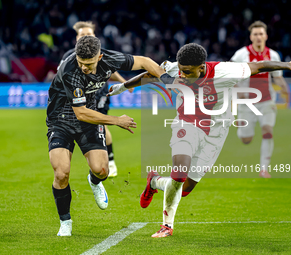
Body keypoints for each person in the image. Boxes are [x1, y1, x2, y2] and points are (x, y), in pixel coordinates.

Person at [108, 43, 291, 238]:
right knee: (179, 174)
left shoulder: (224, 72)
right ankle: (166, 226)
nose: (182, 75)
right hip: (186, 123)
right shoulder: (174, 69)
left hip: (217, 130)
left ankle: (154, 181)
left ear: (202, 67)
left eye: (187, 72)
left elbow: (259, 67)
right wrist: (121, 87)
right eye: (181, 70)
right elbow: (149, 75)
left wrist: (287, 65)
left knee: (185, 189)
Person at [47, 35, 167, 236]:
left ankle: (94, 181)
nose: (84, 67)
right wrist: (117, 120)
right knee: (62, 173)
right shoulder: (70, 70)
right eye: (81, 62)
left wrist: (167, 80)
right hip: (61, 120)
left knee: (102, 170)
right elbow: (80, 112)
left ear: (100, 57)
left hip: (88, 121)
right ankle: (65, 222)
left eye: (89, 64)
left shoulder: (111, 59)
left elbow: (145, 62)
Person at [59, 21, 133, 177]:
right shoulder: (68, 57)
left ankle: (110, 162)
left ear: (95, 36)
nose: (85, 36)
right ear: (76, 38)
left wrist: (123, 82)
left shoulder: (100, 53)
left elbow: (109, 71)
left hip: (99, 93)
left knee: (100, 121)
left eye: (88, 34)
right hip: (79, 96)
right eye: (82, 34)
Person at [231, 21, 289, 178]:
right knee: (246, 139)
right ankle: (242, 131)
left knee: (268, 131)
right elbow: (230, 76)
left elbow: (277, 78)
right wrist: (237, 90)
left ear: (266, 36)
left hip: (267, 101)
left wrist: (285, 91)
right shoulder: (241, 54)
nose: (258, 37)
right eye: (255, 34)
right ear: (251, 37)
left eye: (261, 34)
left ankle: (264, 169)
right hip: (246, 103)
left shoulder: (273, 55)